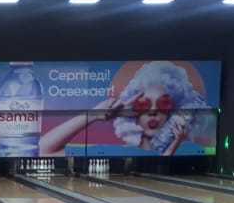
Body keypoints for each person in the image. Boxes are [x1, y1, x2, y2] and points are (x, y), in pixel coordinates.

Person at [39, 61, 208, 157]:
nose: (153, 111)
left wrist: (176, 142)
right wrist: (93, 115)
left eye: (164, 104)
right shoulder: (108, 150)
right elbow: (43, 149)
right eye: (143, 104)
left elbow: (165, 162)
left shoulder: (191, 148)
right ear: (133, 111)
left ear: (176, 110)